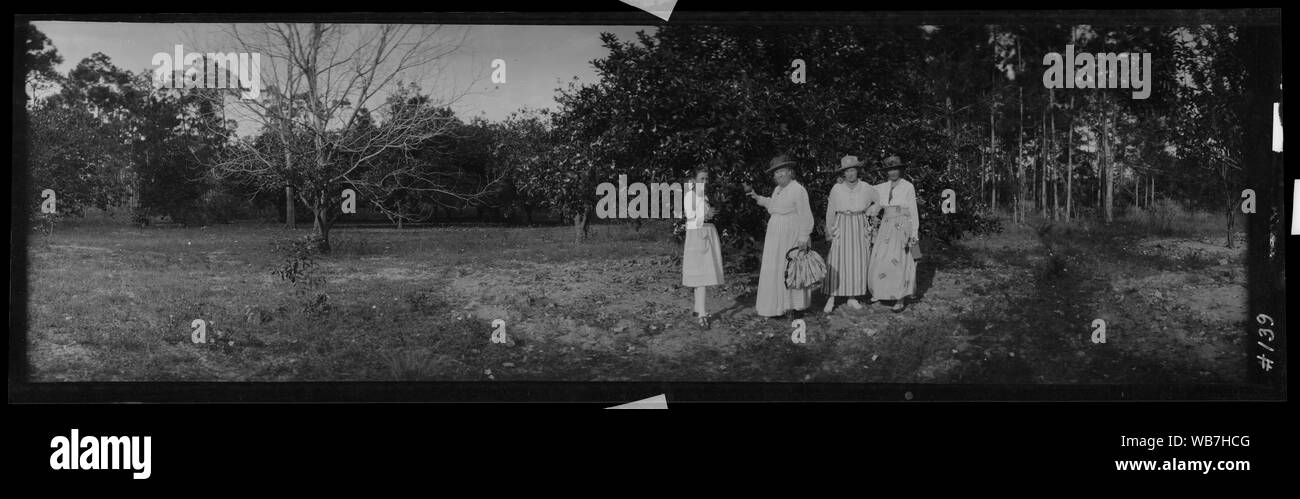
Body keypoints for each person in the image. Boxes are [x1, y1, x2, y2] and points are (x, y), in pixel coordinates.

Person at [744, 154, 815, 318]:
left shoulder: (798, 190)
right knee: (776, 268)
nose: (779, 175)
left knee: (792, 269)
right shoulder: (778, 190)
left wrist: (804, 237)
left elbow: (806, 215)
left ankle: (797, 307)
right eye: (776, 173)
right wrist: (758, 198)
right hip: (775, 234)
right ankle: (778, 306)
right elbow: (774, 206)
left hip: (792, 234)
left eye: (782, 171)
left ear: (790, 172)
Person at [822, 155, 880, 313]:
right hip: (841, 223)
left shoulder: (866, 187)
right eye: (847, 171)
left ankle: (852, 297)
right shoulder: (837, 188)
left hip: (859, 224)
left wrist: (871, 211)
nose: (850, 174)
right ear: (843, 173)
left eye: (853, 170)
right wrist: (829, 230)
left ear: (857, 171)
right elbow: (830, 210)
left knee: (857, 261)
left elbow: (878, 201)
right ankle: (832, 297)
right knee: (837, 260)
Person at [867, 155, 920, 312]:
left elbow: (913, 211)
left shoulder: (908, 186)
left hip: (902, 226)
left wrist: (914, 233)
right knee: (880, 259)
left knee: (899, 261)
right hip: (886, 226)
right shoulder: (881, 187)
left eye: (895, 169)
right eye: (890, 170)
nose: (893, 173)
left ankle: (900, 298)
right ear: (886, 172)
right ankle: (881, 291)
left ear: (900, 170)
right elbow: (868, 197)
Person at [681, 167, 724, 329]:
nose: (704, 182)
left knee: (703, 273)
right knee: (701, 275)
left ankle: (699, 308)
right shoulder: (690, 195)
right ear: (694, 180)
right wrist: (706, 214)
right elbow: (690, 215)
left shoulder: (704, 196)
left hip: (707, 232)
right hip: (697, 235)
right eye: (701, 179)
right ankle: (702, 313)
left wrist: (710, 214)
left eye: (706, 179)